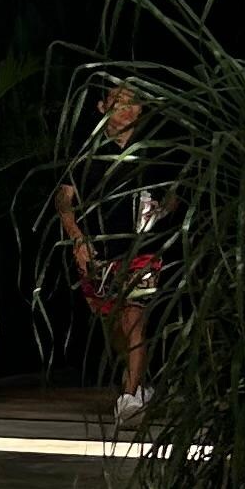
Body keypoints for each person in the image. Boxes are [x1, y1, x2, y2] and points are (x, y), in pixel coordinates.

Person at [50, 80, 162, 416]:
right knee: (114, 324)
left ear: (141, 110)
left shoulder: (153, 151)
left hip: (142, 248)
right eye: (117, 100)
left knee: (134, 316)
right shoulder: (86, 149)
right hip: (98, 251)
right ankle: (139, 381)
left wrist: (160, 210)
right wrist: (76, 236)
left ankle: (129, 395)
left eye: (132, 102)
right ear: (102, 107)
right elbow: (63, 199)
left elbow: (173, 194)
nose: (125, 108)